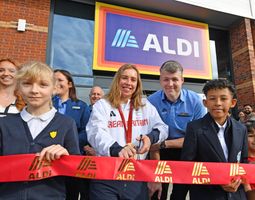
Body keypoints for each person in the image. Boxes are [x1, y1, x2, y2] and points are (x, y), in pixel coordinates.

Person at [86, 63, 168, 200]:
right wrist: (117, 149)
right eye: (124, 78)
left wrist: (150, 137)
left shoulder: (145, 105)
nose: (128, 83)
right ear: (117, 80)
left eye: (133, 79)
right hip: (106, 176)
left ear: (137, 84)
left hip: (136, 176)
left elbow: (163, 128)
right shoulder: (103, 105)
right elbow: (95, 132)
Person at [0, 61, 80, 199]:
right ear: (18, 87)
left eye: (43, 85)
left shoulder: (66, 124)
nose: (34, 90)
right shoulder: (4, 124)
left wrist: (67, 159)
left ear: (54, 89)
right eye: (27, 84)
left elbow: (77, 173)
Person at [147, 60, 206, 200]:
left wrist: (165, 143)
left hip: (187, 152)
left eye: (175, 79)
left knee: (179, 195)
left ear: (182, 80)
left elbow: (198, 138)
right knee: (157, 193)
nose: (170, 84)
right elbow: (152, 140)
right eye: (166, 79)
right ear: (160, 80)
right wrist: (156, 177)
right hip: (159, 153)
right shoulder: (151, 101)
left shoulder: (195, 101)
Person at [181, 79, 248, 200]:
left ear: (232, 102)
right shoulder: (194, 128)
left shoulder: (241, 129)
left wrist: (237, 180)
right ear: (205, 102)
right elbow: (187, 167)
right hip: (206, 195)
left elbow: (243, 161)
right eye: (212, 99)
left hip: (237, 195)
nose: (217, 103)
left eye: (223, 99)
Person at [52, 69, 91, 200]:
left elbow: (86, 131)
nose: (56, 83)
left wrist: (69, 143)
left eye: (60, 80)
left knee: (71, 193)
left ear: (69, 84)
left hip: (71, 158)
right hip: (49, 158)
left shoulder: (81, 106)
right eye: (53, 80)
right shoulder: (47, 104)